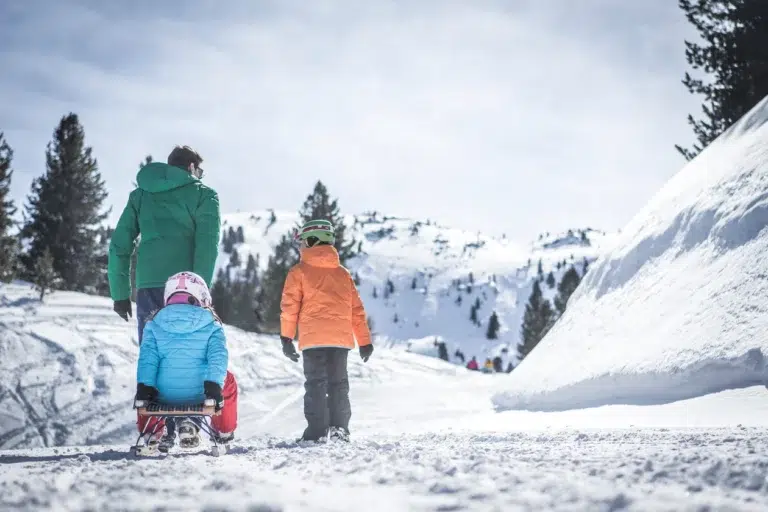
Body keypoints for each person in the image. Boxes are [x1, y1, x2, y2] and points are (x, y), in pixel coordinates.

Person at [108, 145, 221, 344]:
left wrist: (120, 294)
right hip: (186, 290)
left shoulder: (141, 195)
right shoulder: (204, 195)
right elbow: (207, 248)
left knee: (151, 357)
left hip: (148, 287)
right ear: (192, 167)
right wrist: (201, 294)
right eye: (199, 172)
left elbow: (120, 245)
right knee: (185, 358)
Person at [279, 219, 374, 443]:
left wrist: (286, 337)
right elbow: (357, 311)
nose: (301, 246)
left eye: (302, 242)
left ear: (312, 241)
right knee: (339, 384)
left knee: (315, 384)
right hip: (340, 342)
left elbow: (289, 307)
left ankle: (316, 432)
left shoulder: (298, 272)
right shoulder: (343, 274)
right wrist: (364, 341)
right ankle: (340, 429)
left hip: (313, 341)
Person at [134, 271, 238, 452]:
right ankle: (223, 431)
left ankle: (151, 431)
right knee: (228, 380)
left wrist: (144, 388)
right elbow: (217, 358)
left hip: (162, 397)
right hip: (201, 395)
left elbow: (147, 361)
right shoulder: (212, 325)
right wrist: (213, 386)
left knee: (146, 382)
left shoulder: (153, 324)